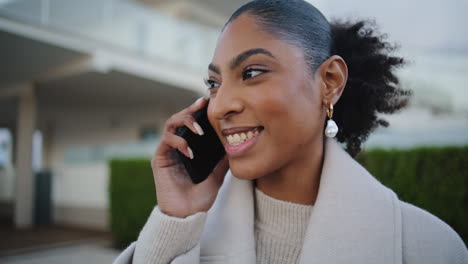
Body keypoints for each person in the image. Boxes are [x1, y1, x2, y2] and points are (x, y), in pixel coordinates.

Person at [114, 0, 468, 263]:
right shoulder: (186, 232)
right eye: (214, 83)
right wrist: (175, 221)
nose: (219, 106)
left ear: (329, 82)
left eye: (251, 73)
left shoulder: (430, 247)